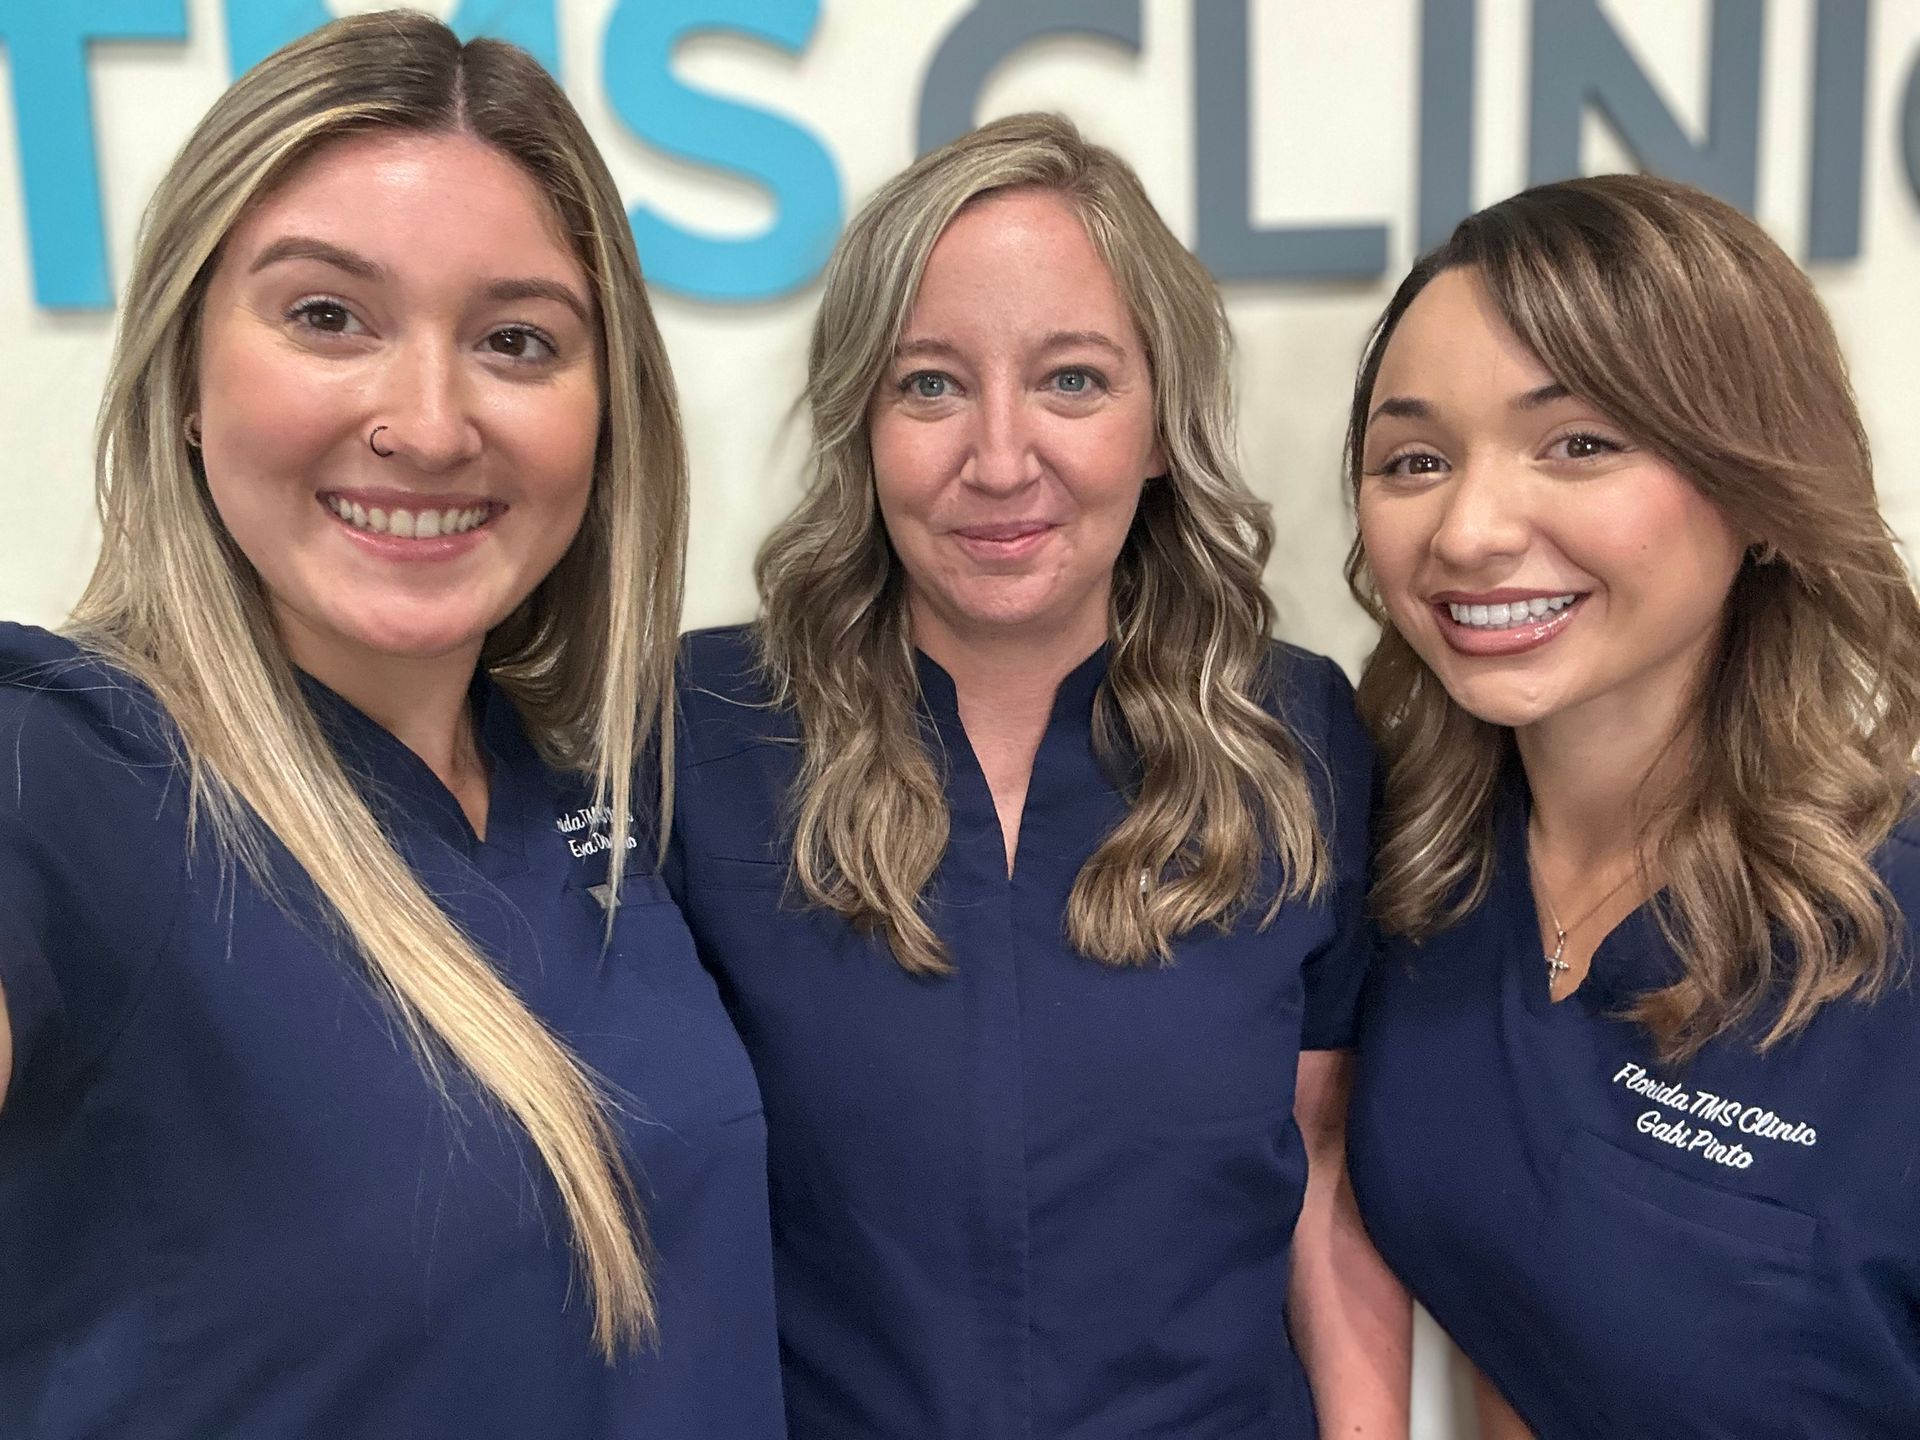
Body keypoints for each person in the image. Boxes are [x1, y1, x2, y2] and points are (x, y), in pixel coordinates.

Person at [0, 14, 783, 1437]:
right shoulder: (56, 774)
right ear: (183, 374)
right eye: (326, 317)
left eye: (516, 340)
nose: (428, 424)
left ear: (607, 414)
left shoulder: (590, 790)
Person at [668, 113, 1406, 1439]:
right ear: (861, 422)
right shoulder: (702, 732)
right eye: (930, 384)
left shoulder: (1295, 731)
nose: (1000, 459)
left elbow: (1320, 1164)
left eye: (1072, 380)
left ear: (1163, 426)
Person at [1343, 173, 1920, 1438]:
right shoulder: (1419, 883)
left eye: (1581, 443)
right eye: (1417, 458)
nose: (1471, 529)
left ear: (1762, 490)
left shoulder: (1892, 928)